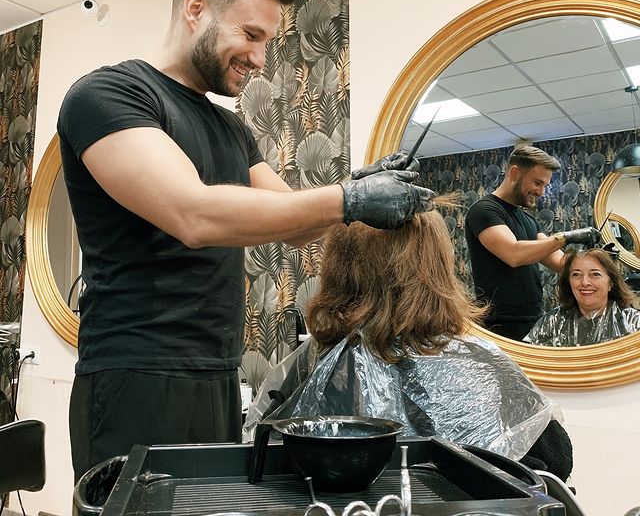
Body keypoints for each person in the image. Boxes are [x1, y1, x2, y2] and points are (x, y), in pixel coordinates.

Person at [57, 0, 433, 482]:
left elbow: (292, 222)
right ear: (195, 8)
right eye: (251, 35)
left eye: (268, 41)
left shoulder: (231, 126)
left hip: (215, 374)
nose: (259, 59)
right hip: (135, 373)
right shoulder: (111, 95)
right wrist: (350, 200)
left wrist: (357, 190)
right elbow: (195, 215)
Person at [243, 201, 573, 481]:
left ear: (337, 269)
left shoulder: (314, 358)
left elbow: (261, 458)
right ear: (437, 269)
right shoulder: (474, 358)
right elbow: (557, 460)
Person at [464, 145, 600, 341]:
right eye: (537, 183)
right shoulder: (485, 210)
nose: (541, 192)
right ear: (515, 173)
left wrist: (595, 259)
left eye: (545, 185)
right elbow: (514, 254)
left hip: (532, 317)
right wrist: (568, 236)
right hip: (499, 322)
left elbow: (559, 262)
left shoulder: (528, 220)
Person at [524, 248, 640, 347]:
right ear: (568, 282)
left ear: (610, 283)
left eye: (595, 274)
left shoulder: (633, 322)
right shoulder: (552, 322)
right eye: (576, 274)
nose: (585, 282)